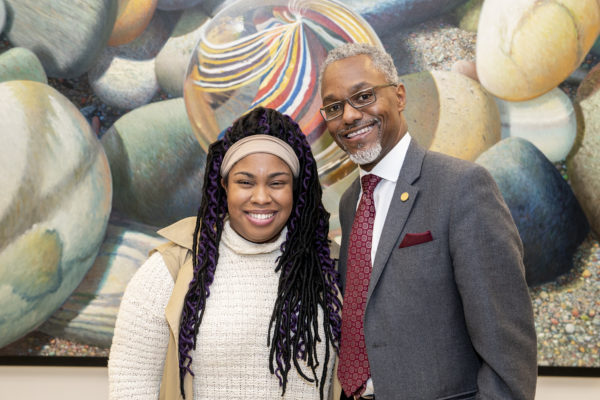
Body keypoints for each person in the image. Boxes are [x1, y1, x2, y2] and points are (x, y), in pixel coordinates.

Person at [319, 43, 537, 400]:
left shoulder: (462, 187)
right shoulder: (350, 202)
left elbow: (508, 351)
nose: (349, 116)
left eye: (363, 96)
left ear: (400, 96)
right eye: (334, 106)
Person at [108, 107, 342, 400]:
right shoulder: (170, 269)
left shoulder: (331, 267)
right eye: (245, 182)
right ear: (224, 186)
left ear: (296, 189)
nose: (260, 197)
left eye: (277, 183)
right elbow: (131, 385)